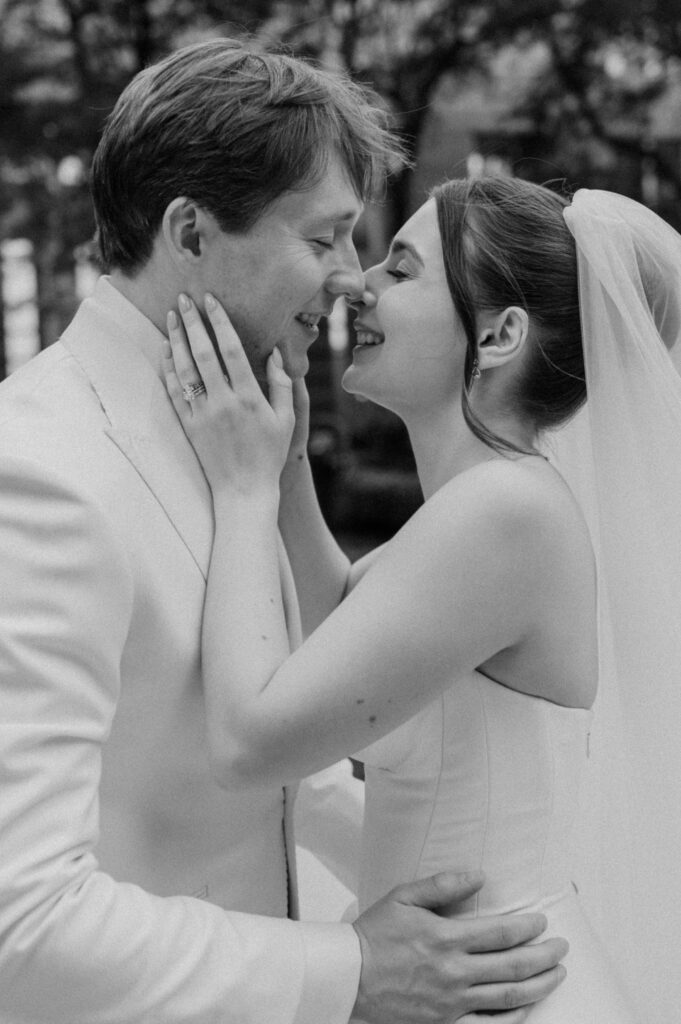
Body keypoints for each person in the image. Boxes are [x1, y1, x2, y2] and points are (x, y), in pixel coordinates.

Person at [0, 41, 570, 1024]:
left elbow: (277, 780)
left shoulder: (241, 439)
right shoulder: (39, 475)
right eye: (326, 238)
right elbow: (22, 925)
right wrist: (346, 971)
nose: (351, 280)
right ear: (190, 230)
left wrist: (439, 878)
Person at [163, 174, 681, 1023]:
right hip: (460, 982)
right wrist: (287, 459)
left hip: (499, 996)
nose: (355, 282)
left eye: (400, 272)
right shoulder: (485, 506)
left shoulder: (502, 514)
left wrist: (244, 488)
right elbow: (335, 629)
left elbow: (251, 740)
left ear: (499, 332)